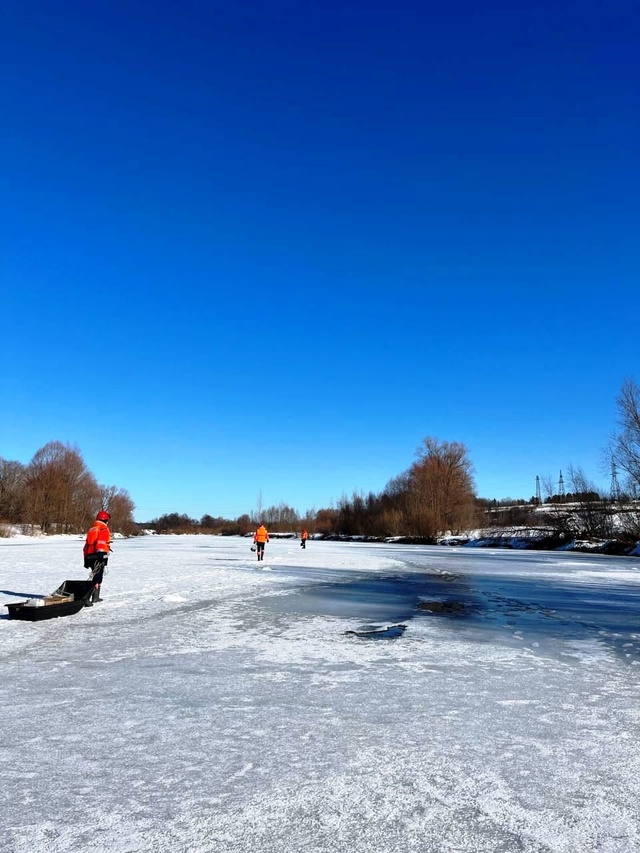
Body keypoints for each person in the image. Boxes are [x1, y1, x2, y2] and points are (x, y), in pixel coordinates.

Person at [84, 510, 112, 603]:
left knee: (95, 576)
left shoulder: (92, 529)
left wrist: (85, 559)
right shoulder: (103, 529)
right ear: (105, 520)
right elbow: (101, 544)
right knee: (97, 577)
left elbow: (86, 546)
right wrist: (102, 557)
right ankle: (88, 598)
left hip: (89, 556)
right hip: (98, 556)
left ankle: (94, 597)